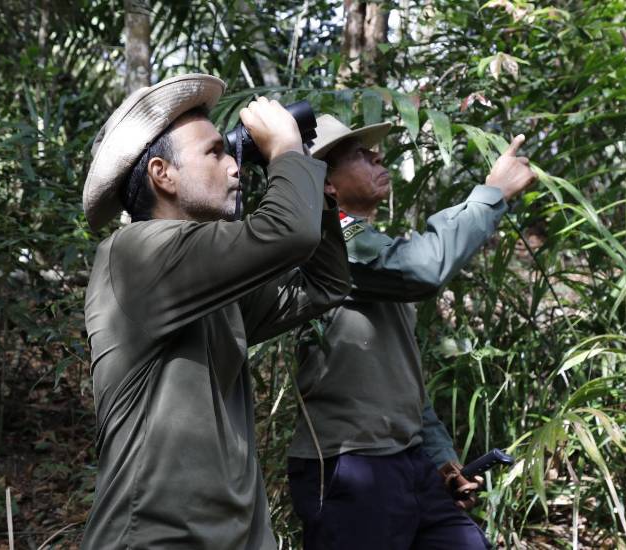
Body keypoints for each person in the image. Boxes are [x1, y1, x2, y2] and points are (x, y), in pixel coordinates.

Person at [80, 74, 350, 549]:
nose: (236, 167)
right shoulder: (134, 254)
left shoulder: (209, 285)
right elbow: (288, 234)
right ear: (162, 174)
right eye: (215, 152)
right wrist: (285, 148)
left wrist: (309, 177)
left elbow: (323, 286)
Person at [287, 114, 537, 549]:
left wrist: (441, 459)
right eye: (360, 155)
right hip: (350, 465)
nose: (377, 157)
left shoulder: (373, 246)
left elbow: (402, 374)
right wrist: (492, 194)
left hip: (407, 463)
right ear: (327, 184)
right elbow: (424, 269)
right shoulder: (326, 243)